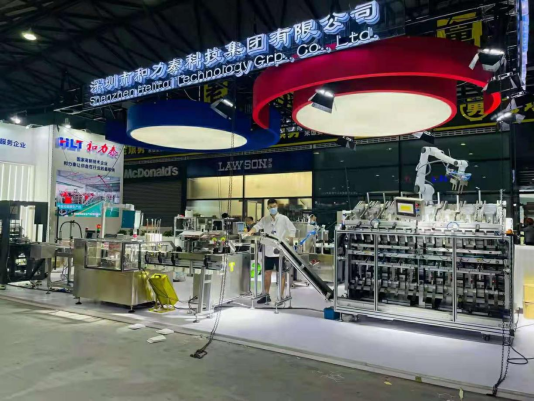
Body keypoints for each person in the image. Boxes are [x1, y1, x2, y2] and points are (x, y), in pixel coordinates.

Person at [246, 199, 296, 304]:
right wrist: (250, 232)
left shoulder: (283, 218)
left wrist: (289, 240)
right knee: (266, 273)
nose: (273, 208)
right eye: (271, 207)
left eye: (274, 206)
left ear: (277, 206)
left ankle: (280, 297)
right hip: (268, 250)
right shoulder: (265, 219)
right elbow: (257, 226)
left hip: (279, 250)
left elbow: (292, 229)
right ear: (268, 208)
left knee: (281, 274)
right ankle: (266, 295)